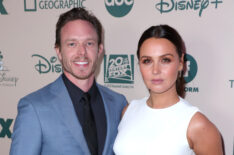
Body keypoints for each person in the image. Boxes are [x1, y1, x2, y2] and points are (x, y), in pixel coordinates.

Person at [10, 7, 127, 155]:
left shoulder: (118, 103)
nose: (82, 52)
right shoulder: (34, 108)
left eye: (89, 43)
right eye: (72, 44)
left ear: (99, 49)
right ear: (58, 51)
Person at [113, 25, 223, 155]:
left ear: (181, 63)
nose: (155, 70)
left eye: (165, 60)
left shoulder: (197, 125)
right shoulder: (128, 111)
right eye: (147, 61)